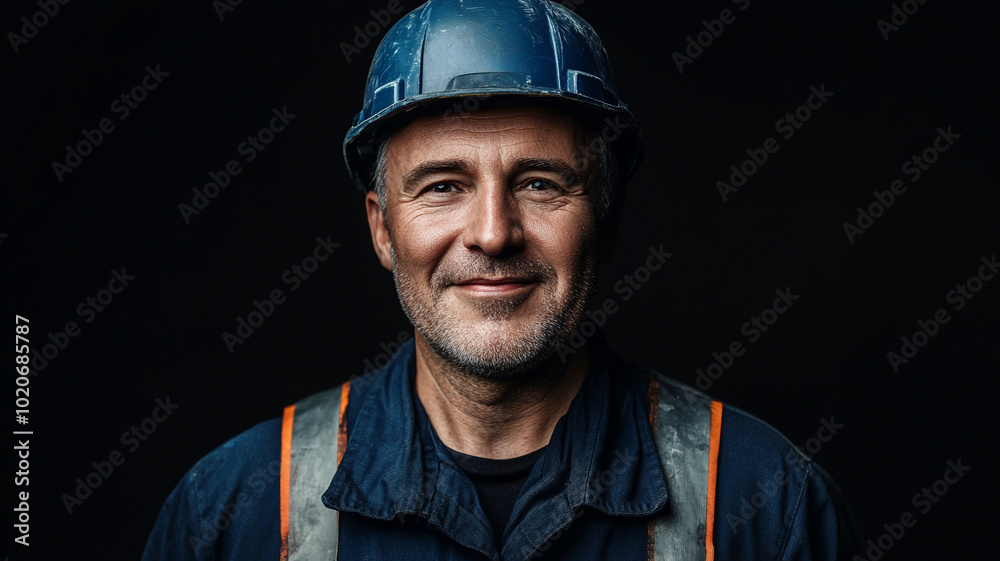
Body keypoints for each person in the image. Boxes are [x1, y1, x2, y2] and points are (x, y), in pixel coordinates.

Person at [143, 0, 863, 559]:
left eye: (541, 182)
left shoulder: (768, 508)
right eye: (442, 186)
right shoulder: (229, 515)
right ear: (382, 228)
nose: (492, 232)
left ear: (605, 220)